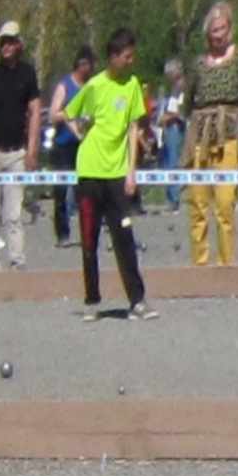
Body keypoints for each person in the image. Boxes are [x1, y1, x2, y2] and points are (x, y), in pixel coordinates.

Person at [66, 30, 153, 316]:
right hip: (90, 170)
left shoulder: (132, 85)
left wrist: (131, 171)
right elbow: (68, 112)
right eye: (126, 56)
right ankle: (92, 300)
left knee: (124, 236)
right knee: (89, 238)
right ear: (114, 57)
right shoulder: (94, 85)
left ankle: (137, 300)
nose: (130, 61)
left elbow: (133, 128)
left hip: (116, 172)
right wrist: (82, 133)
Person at [180, 2, 238, 268]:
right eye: (214, 30)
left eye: (222, 29)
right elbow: (188, 99)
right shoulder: (198, 64)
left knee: (224, 203)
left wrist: (234, 117)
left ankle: (225, 265)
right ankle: (199, 264)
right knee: (198, 202)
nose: (218, 35)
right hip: (200, 134)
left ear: (230, 29)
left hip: (228, 134)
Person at [0, 22, 43, 269]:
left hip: (16, 153)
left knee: (13, 215)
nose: (5, 47)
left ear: (18, 45)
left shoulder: (27, 74)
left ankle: (17, 262)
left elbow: (35, 113)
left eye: (10, 42)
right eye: (2, 43)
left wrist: (32, 149)